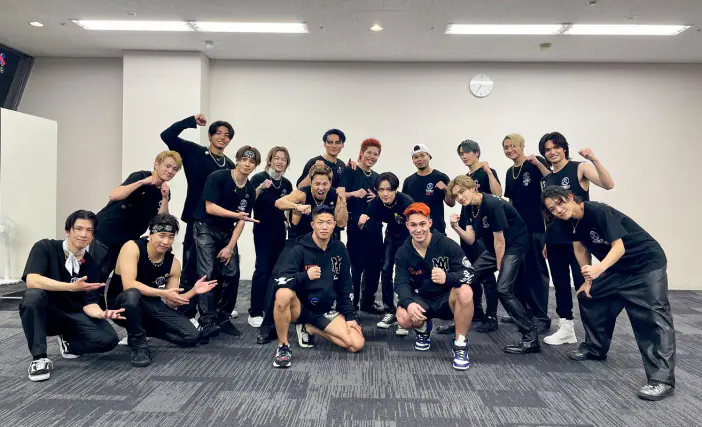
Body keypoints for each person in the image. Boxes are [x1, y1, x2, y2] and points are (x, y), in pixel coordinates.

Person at [542, 186, 675, 401]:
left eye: (560, 203)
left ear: (570, 197)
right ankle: (595, 348)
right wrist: (588, 281)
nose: (558, 210)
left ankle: (661, 380)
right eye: (552, 209)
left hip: (646, 264)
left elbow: (619, 247)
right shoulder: (566, 222)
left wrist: (599, 269)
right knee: (590, 295)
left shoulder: (598, 211)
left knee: (652, 318)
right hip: (618, 268)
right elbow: (579, 248)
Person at [19, 210, 120, 382]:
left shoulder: (93, 265)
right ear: (68, 230)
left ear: (93, 235)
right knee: (32, 296)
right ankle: (39, 358)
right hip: (46, 312)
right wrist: (71, 287)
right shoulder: (45, 247)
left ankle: (69, 342)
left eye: (89, 230)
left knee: (108, 340)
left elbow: (89, 302)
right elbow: (32, 280)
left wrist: (102, 313)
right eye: (78, 229)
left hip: (72, 313)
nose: (83, 234)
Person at [106, 214, 218, 367]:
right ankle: (138, 344)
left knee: (192, 337)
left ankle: (141, 330)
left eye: (170, 237)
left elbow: (172, 302)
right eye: (162, 235)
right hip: (121, 306)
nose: (166, 241)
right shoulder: (132, 248)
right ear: (151, 234)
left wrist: (193, 291)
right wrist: (162, 293)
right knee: (132, 294)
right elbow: (129, 284)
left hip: (150, 305)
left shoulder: (173, 264)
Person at [256, 164, 348, 344]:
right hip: (297, 242)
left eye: (324, 184)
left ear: (330, 183)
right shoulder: (302, 193)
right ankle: (269, 326)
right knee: (278, 277)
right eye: (317, 183)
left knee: (337, 274)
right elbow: (279, 203)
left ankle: (343, 315)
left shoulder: (334, 195)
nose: (321, 187)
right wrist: (296, 206)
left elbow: (342, 222)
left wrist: (343, 202)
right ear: (311, 183)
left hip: (322, 243)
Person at [539, 132, 614, 346]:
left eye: (556, 147)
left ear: (564, 148)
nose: (552, 152)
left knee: (584, 284)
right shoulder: (546, 179)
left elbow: (608, 184)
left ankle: (593, 336)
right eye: (547, 150)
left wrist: (594, 159)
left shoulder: (579, 168)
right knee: (560, 285)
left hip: (578, 240)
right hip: (554, 241)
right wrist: (546, 240)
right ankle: (566, 329)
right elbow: (547, 213)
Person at [448, 175, 539, 354]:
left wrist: (500, 265)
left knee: (503, 289)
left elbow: (500, 240)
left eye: (462, 192)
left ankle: (530, 338)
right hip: (494, 247)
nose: (460, 197)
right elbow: (471, 239)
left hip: (514, 245)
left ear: (472, 188)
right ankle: (458, 321)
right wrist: (455, 227)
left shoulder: (492, 204)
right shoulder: (468, 207)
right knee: (466, 278)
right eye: (456, 195)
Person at [160, 113, 236, 322]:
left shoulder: (230, 165)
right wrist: (191, 121)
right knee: (191, 265)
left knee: (217, 270)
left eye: (227, 135)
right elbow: (167, 135)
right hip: (196, 219)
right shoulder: (194, 151)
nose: (222, 137)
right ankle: (187, 312)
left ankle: (212, 313)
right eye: (218, 133)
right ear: (210, 135)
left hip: (219, 224)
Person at [271, 205, 364, 368]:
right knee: (282, 294)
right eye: (320, 222)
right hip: (299, 309)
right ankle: (283, 347)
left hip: (323, 310)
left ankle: (310, 328)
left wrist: (350, 316)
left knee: (356, 344)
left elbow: (346, 284)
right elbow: (280, 280)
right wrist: (305, 275)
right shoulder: (299, 249)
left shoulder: (339, 248)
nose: (324, 227)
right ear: (313, 225)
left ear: (334, 225)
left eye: (328, 222)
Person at [394, 202, 475, 370]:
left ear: (430, 223)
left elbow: (470, 273)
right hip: (422, 300)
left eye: (422, 224)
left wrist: (448, 278)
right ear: (407, 225)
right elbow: (400, 283)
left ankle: (460, 345)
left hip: (447, 300)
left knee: (466, 291)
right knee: (402, 317)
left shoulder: (447, 244)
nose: (418, 229)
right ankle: (423, 329)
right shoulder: (403, 252)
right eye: (413, 225)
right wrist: (409, 303)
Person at [192, 145, 261, 341]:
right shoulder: (218, 177)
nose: (247, 164)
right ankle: (207, 321)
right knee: (207, 272)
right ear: (237, 160)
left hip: (227, 231)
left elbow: (242, 220)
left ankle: (222, 317)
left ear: (255, 166)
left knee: (232, 272)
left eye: (251, 162)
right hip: (205, 227)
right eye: (244, 160)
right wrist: (235, 215)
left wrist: (230, 247)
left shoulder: (249, 190)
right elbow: (210, 207)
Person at [439, 139, 501, 335]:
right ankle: (476, 311)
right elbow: (451, 201)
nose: (464, 156)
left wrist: (489, 172)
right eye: (461, 154)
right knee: (468, 271)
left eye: (467, 152)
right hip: (468, 225)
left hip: (484, 230)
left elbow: (498, 193)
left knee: (486, 276)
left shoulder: (486, 171)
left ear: (476, 153)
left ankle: (491, 316)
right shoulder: (465, 178)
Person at [93, 150, 181, 281]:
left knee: (116, 277)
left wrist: (165, 198)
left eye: (174, 169)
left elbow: (161, 221)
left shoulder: (164, 191)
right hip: (106, 232)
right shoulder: (140, 176)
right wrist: (142, 182)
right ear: (156, 164)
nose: (170, 171)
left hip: (127, 239)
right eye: (167, 166)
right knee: (95, 275)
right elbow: (114, 195)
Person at [501, 134, 551, 334]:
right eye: (506, 147)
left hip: (537, 229)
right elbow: (511, 202)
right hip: (519, 232)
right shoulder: (509, 172)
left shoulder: (534, 163)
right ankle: (522, 312)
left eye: (513, 146)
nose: (510, 150)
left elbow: (550, 183)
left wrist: (547, 231)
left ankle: (541, 318)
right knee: (519, 274)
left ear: (522, 146)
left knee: (536, 274)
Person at [358, 172, 414, 334]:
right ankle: (390, 310)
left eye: (389, 189)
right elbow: (368, 227)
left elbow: (417, 225)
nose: (385, 194)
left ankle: (406, 312)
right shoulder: (375, 203)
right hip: (391, 237)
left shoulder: (406, 202)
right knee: (386, 269)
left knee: (406, 274)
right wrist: (361, 224)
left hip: (409, 239)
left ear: (395, 189)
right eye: (381, 190)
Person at [247, 147, 293, 328]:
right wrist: (260, 188)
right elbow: (249, 200)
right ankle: (255, 311)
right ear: (270, 160)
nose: (280, 162)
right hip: (262, 229)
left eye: (284, 159)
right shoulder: (259, 178)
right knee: (262, 269)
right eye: (277, 158)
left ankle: (270, 308)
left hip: (279, 230)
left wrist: (288, 222)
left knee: (276, 271)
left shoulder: (287, 184)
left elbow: (288, 206)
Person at [338, 138, 383, 314]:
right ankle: (353, 304)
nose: (372, 157)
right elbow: (339, 194)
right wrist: (354, 193)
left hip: (375, 226)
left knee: (374, 266)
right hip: (356, 226)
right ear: (362, 153)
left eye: (376, 154)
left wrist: (378, 198)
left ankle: (367, 303)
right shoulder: (351, 171)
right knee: (356, 267)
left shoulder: (377, 177)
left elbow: (386, 199)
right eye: (369, 152)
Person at [401, 144, 450, 233]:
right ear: (413, 160)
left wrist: (446, 190)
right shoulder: (408, 181)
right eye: (416, 157)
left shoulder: (441, 177)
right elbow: (405, 207)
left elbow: (451, 203)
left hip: (437, 229)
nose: (419, 159)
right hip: (416, 230)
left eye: (422, 155)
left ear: (429, 156)